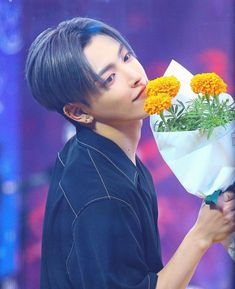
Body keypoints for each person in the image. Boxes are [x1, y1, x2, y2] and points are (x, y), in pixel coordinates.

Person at [25, 17, 235, 289]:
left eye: (126, 57)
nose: (135, 76)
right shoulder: (103, 198)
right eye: (110, 78)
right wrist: (201, 236)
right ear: (78, 112)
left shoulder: (95, 153)